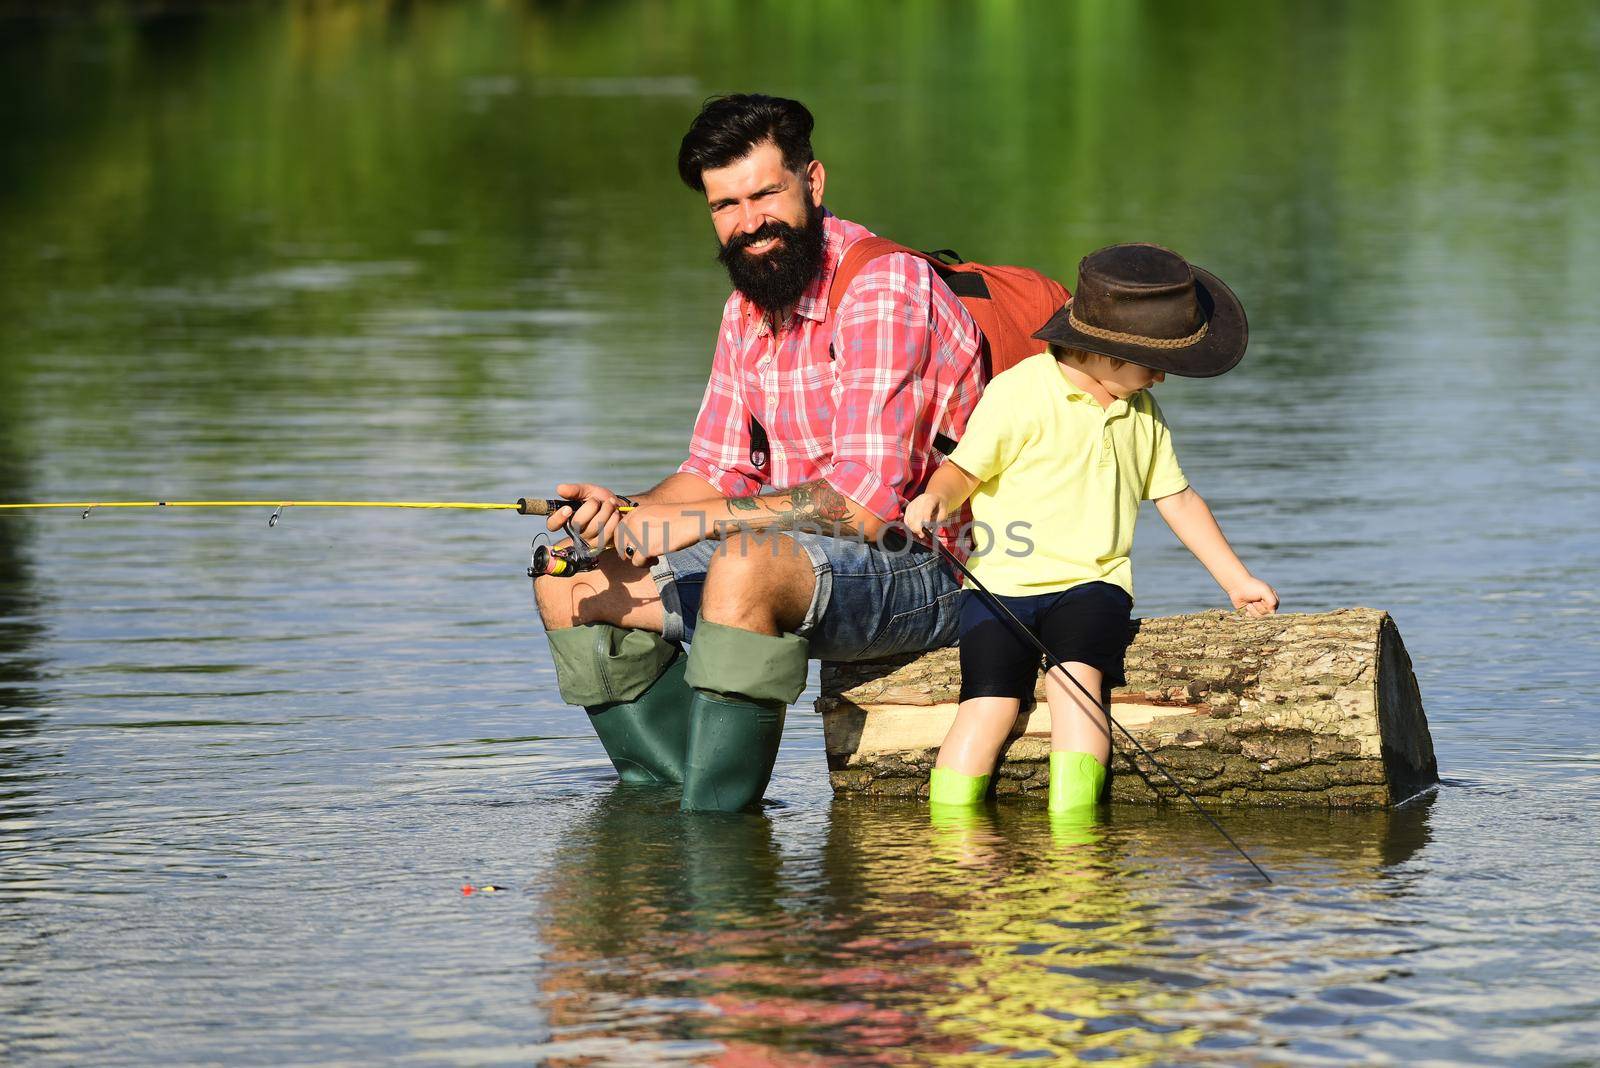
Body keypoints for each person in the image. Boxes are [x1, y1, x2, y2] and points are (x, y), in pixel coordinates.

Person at [533, 94, 984, 812]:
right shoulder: (746, 308)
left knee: (743, 564)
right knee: (570, 579)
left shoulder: (882, 287)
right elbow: (712, 470)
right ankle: (675, 797)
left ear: (813, 181)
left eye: (765, 193)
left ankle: (716, 841)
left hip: (939, 574)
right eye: (725, 205)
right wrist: (623, 512)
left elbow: (865, 507)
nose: (748, 224)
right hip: (797, 558)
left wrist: (707, 522)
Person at [903, 243, 1279, 815]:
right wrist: (934, 498)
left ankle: (1076, 844)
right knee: (989, 705)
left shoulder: (1142, 411)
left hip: (1090, 585)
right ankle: (953, 838)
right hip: (998, 589)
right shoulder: (1019, 393)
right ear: (1101, 351)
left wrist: (1236, 579)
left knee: (1076, 689)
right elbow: (962, 472)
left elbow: (1178, 500)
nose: (1161, 376)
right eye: (1152, 362)